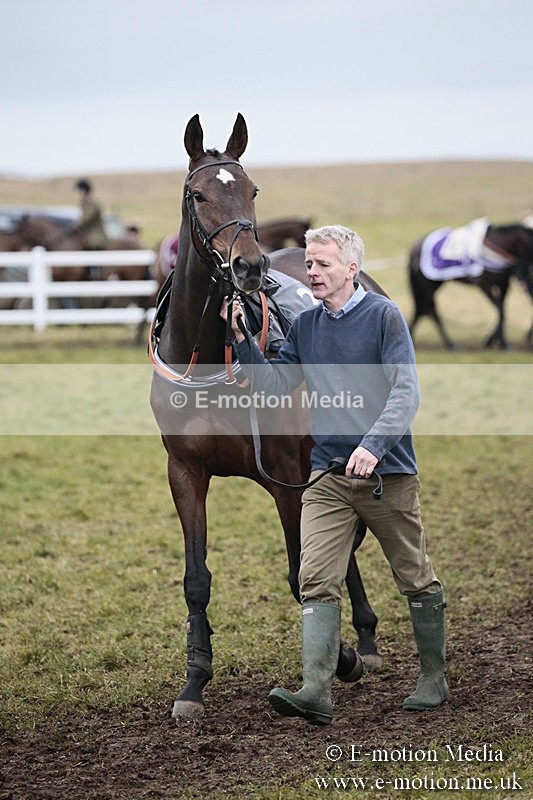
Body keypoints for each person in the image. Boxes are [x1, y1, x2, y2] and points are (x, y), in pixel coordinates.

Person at [223, 224, 448, 726]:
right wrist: (242, 341)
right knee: (315, 579)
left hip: (385, 472)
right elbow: (277, 386)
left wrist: (372, 445)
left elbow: (405, 394)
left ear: (351, 269)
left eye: (323, 264)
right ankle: (315, 691)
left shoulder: (384, 317)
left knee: (413, 577)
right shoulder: (306, 326)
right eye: (309, 264)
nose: (312, 273)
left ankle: (434, 677)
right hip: (326, 476)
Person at [72, 179, 108, 250]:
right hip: (87, 234)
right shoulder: (85, 203)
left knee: (93, 246)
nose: (78, 194)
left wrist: (74, 227)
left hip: (95, 235)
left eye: (79, 191)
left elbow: (86, 219)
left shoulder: (91, 203)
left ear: (83, 191)